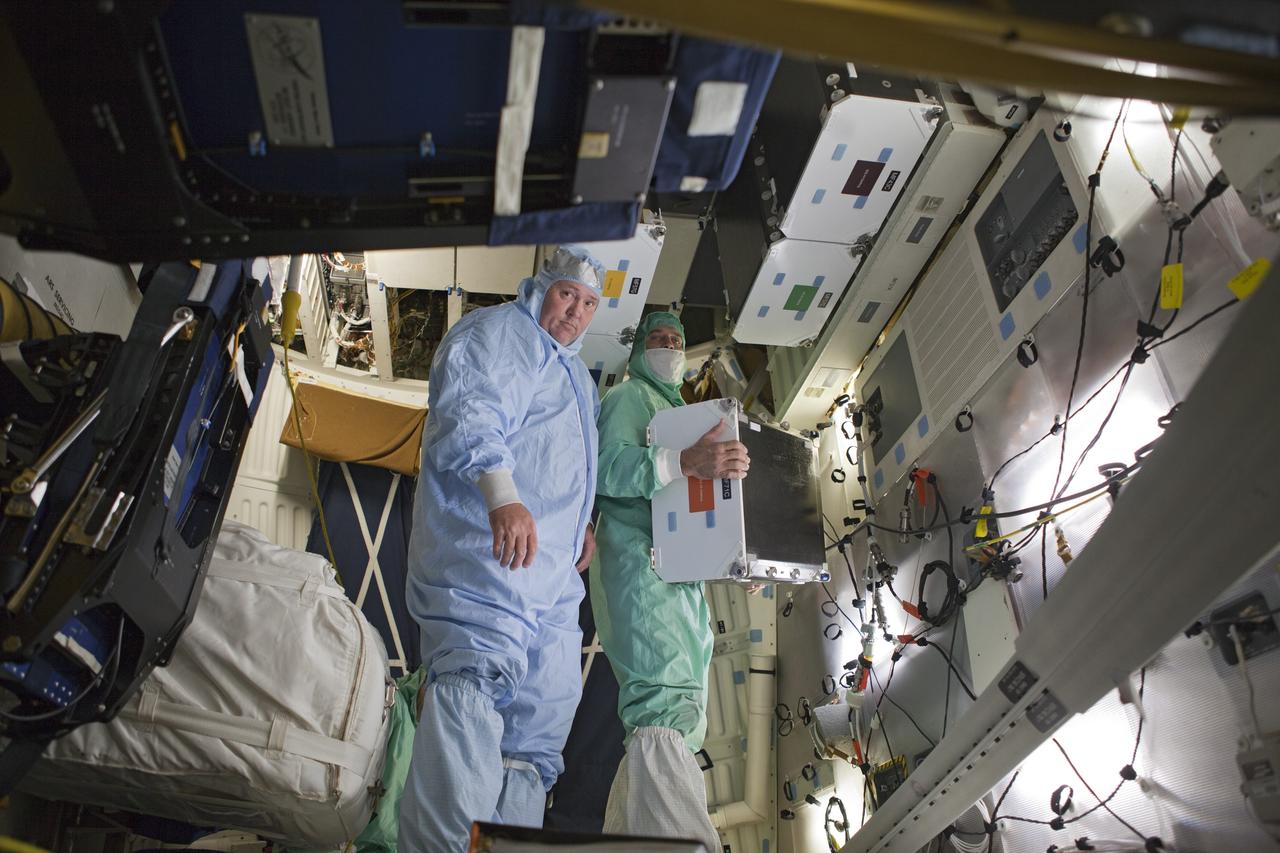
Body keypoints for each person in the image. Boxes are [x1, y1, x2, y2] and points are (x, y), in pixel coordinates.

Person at [400, 245, 606, 852]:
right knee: (471, 691)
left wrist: (578, 527)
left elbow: (564, 466)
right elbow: (472, 408)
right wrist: (501, 492)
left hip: (550, 586)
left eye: (589, 303)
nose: (575, 312)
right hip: (490, 566)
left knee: (535, 741)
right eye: (568, 294)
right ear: (541, 286)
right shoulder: (503, 333)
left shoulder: (576, 379)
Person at [590, 311, 750, 851]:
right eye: (657, 337)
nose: (668, 344)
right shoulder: (628, 398)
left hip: (681, 585)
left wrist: (737, 556)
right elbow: (606, 469)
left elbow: (698, 514)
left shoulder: (686, 414)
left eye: (677, 340)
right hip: (639, 565)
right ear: (637, 349)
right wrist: (681, 460)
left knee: (675, 720)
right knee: (663, 705)